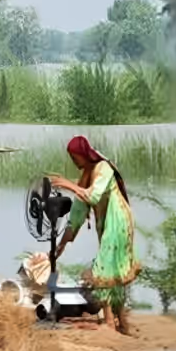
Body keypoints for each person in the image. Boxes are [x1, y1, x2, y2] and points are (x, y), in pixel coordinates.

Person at [48, 136, 141, 335]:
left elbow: (93, 196)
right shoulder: (86, 177)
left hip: (118, 224)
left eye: (75, 157)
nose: (74, 162)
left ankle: (109, 322)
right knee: (113, 272)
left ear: (83, 154)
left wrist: (67, 185)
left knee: (105, 270)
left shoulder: (103, 168)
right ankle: (123, 324)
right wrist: (62, 244)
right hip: (106, 226)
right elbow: (77, 216)